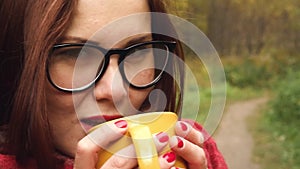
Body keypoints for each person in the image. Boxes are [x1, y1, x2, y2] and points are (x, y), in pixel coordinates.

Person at [0, 0, 228, 169]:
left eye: (137, 50)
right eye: (76, 55)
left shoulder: (194, 152)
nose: (116, 91)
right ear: (17, 65)